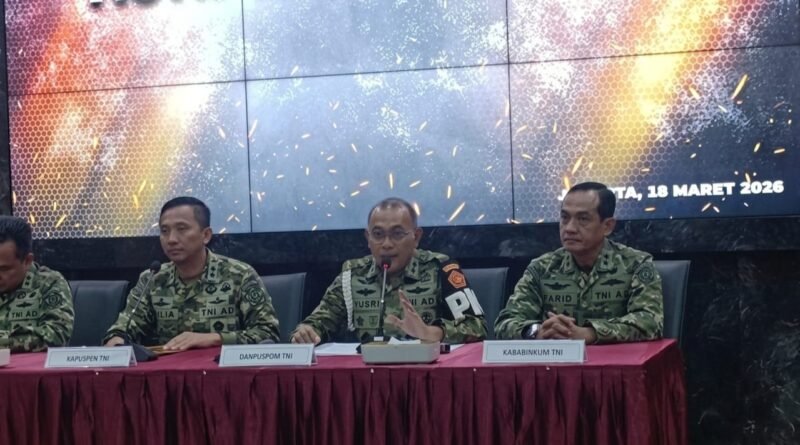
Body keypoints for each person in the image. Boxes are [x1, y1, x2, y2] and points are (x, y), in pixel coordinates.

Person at [291, 197, 487, 345]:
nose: (386, 244)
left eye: (397, 234)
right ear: (368, 238)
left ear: (416, 237)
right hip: (366, 377)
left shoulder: (440, 268)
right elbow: (319, 322)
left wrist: (432, 333)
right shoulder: (352, 274)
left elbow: (477, 327)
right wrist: (306, 332)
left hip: (424, 374)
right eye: (378, 235)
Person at [494, 182, 663, 343]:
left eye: (583, 219)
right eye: (565, 218)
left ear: (607, 226)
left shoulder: (635, 265)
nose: (569, 228)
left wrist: (591, 333)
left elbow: (650, 323)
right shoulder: (542, 268)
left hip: (616, 362)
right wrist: (537, 331)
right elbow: (505, 323)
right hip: (555, 362)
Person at [104, 197, 279, 350]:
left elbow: (267, 333)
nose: (171, 239)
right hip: (168, 373)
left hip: (223, 372)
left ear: (206, 235)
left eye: (182, 229)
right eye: (164, 231)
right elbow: (124, 328)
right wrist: (116, 340)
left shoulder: (239, 275)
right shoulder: (152, 278)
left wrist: (214, 339)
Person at [0, 215, 74, 352]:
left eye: (4, 269)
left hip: (26, 365)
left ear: (27, 261)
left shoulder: (48, 283)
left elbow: (56, 335)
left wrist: (4, 342)